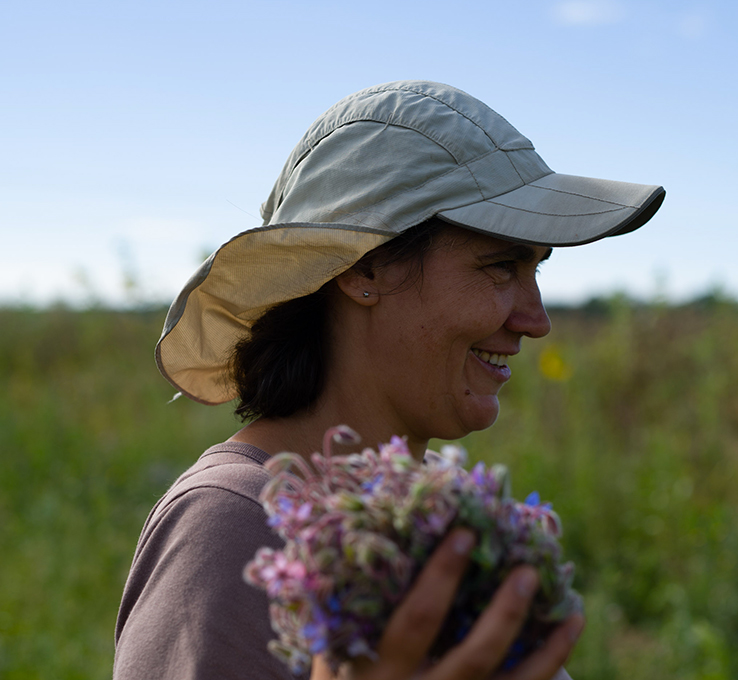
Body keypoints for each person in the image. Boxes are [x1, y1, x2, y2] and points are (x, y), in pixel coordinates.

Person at [113, 80, 665, 680]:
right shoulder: (233, 531)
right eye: (501, 266)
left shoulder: (432, 519)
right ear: (366, 268)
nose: (537, 320)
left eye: (535, 268)